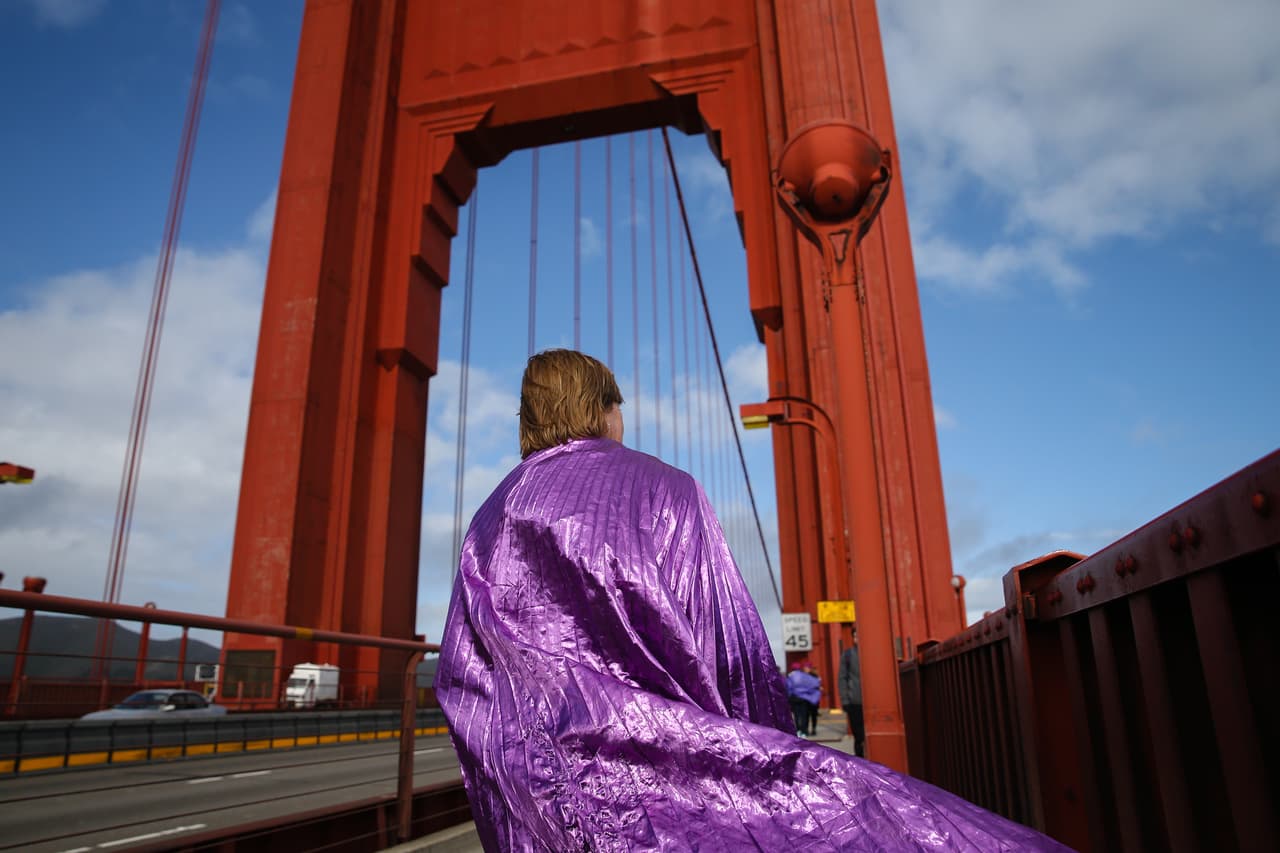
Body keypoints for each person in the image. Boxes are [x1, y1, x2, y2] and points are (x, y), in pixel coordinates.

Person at [435, 349, 1069, 851]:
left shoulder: (491, 516)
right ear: (604, 411)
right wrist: (770, 755)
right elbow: (728, 645)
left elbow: (463, 676)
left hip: (530, 795)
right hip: (673, 791)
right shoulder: (665, 491)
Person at [839, 636, 866, 757]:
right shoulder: (848, 655)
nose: (857, 638)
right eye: (855, 636)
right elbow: (842, 678)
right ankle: (861, 759)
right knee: (858, 735)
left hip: (874, 702)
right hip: (855, 700)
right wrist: (845, 700)